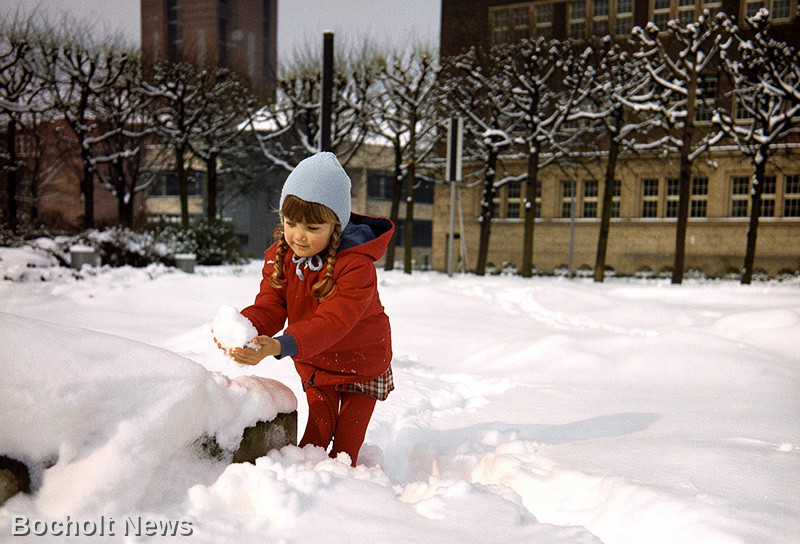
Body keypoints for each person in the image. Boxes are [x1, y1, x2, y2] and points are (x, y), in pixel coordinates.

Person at [225, 151, 395, 466]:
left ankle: (349, 499)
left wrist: (280, 345)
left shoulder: (356, 266)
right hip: (316, 361)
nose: (298, 236)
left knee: (345, 449)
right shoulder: (280, 257)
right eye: (290, 223)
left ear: (335, 226)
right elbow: (270, 305)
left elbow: (334, 321)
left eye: (313, 228)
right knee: (315, 438)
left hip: (363, 361)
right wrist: (244, 329)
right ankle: (305, 494)